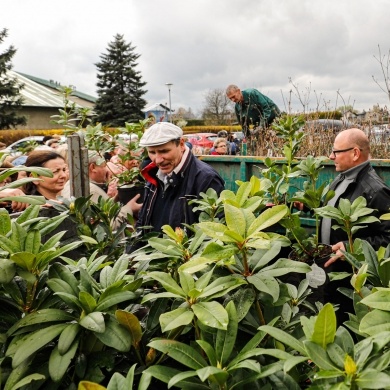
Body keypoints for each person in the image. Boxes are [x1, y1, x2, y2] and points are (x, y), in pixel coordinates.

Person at [321, 128, 390, 323]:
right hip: (333, 273)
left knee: (346, 323)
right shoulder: (343, 177)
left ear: (355, 153)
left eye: (336, 151)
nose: (331, 156)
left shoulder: (375, 190)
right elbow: (332, 211)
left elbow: (388, 239)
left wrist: (352, 248)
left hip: (352, 281)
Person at [133, 122, 225, 240]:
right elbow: (142, 221)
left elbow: (215, 232)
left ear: (181, 144)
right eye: (152, 152)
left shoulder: (206, 178)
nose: (158, 160)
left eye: (164, 151)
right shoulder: (153, 174)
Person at [61, 152, 142, 222]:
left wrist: (114, 199)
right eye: (104, 166)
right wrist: (129, 209)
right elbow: (106, 225)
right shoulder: (91, 190)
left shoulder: (71, 184)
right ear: (92, 167)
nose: (107, 169)